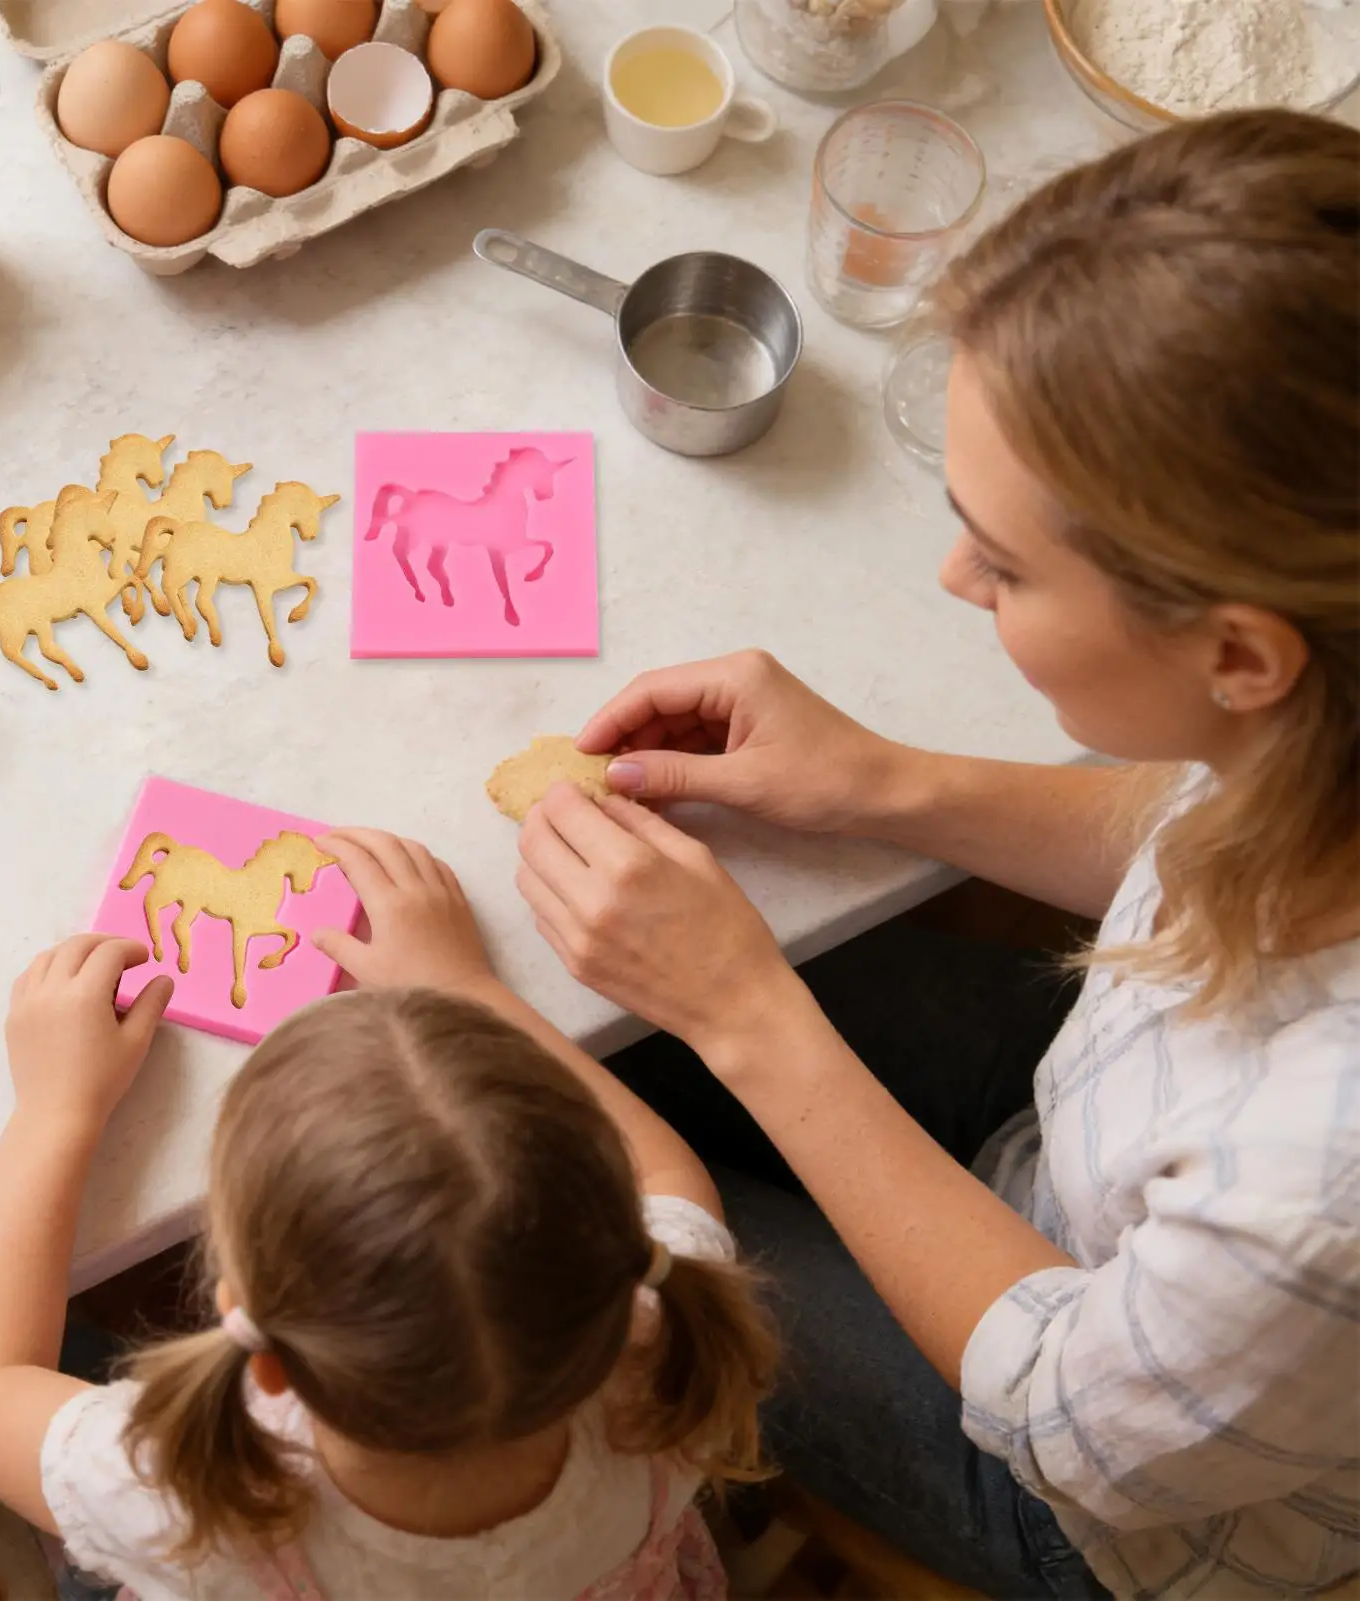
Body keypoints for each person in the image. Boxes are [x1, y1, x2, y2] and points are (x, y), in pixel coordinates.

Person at [512, 110, 1359, 1600]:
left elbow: (1057, 1413)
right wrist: (882, 784)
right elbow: (1185, 825)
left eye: (1006, 560)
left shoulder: (1320, 1187)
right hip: (1084, 1135)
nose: (952, 577)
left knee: (552, 1206)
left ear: (1239, 652)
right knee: (604, 1047)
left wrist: (747, 1016)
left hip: (1091, 1497)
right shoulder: (1313, 729)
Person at [0, 829, 777, 1601]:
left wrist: (53, 1111)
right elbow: (665, 1168)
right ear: (623, 1254)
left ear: (247, 1334)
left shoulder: (173, 1493)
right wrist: (465, 984)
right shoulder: (668, 1349)